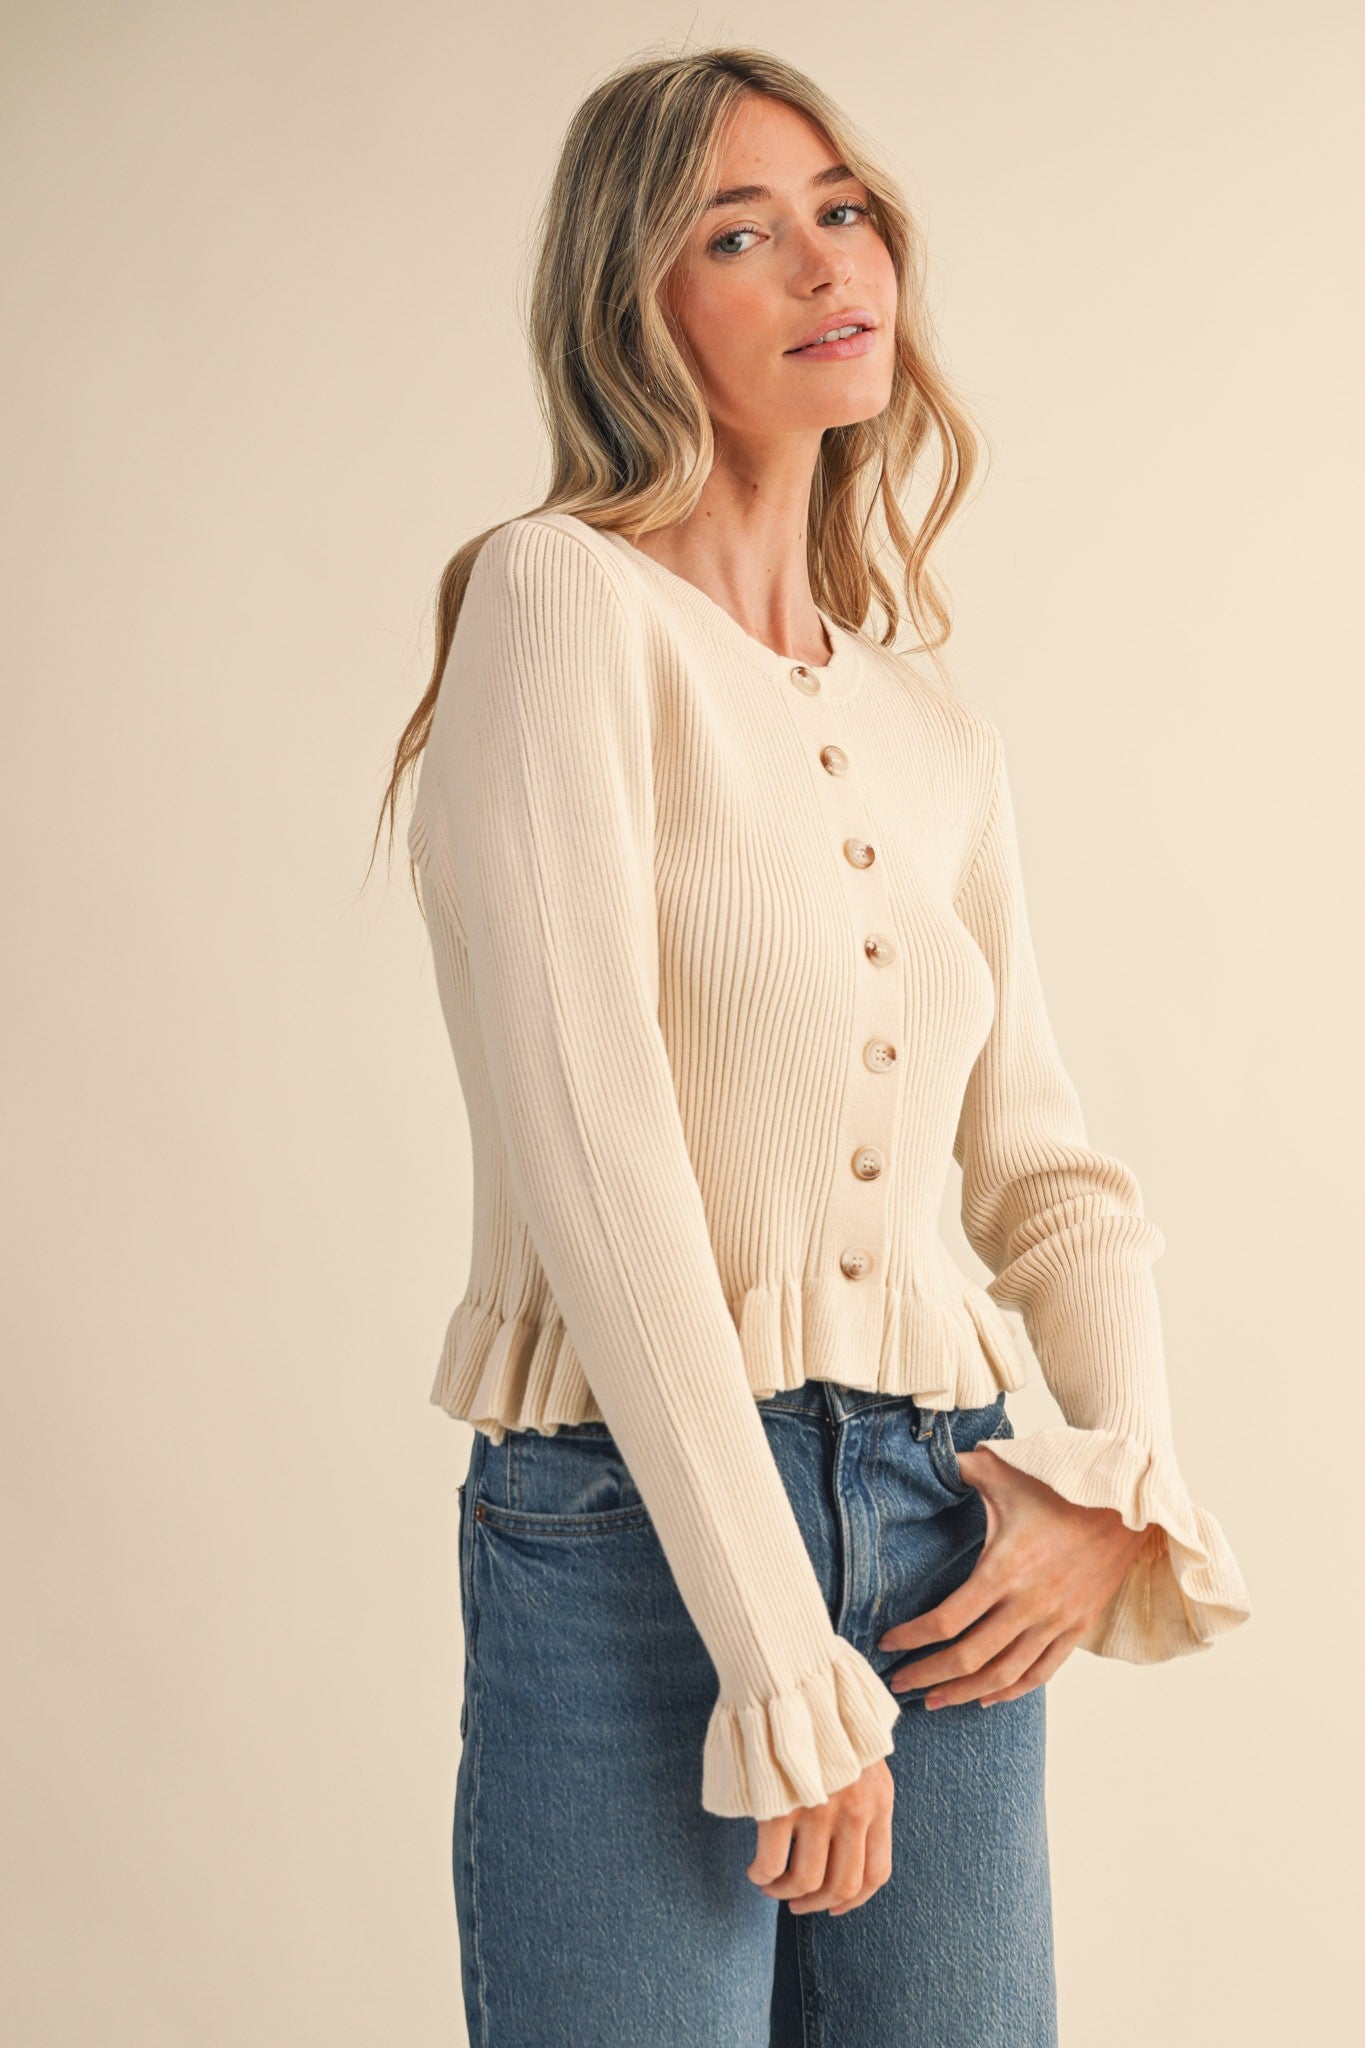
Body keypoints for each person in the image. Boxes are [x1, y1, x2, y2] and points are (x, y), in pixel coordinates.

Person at [375, 46, 1251, 2048]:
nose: (820, 263)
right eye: (736, 233)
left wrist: (1111, 1478)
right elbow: (595, 1152)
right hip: (633, 1524)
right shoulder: (557, 602)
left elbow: (1046, 1176)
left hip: (943, 1527)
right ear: (631, 304)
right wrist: (775, 1654)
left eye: (840, 211)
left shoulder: (936, 734)